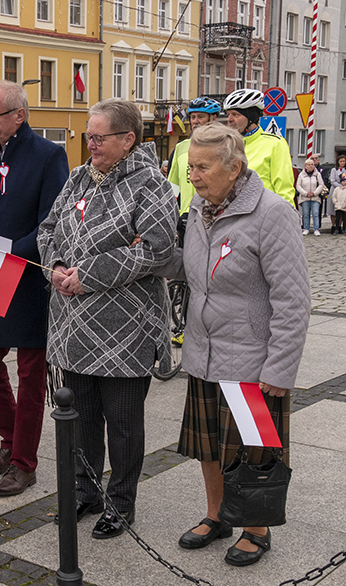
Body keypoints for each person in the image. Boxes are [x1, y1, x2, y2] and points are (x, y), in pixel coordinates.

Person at [159, 124, 309, 567]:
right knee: (209, 446)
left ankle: (256, 529)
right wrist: (153, 250)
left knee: (255, 450)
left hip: (252, 360)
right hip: (205, 353)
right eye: (191, 167)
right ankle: (217, 515)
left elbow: (293, 300)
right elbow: (188, 270)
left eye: (203, 167)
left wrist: (280, 369)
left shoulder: (272, 213)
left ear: (235, 168)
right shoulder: (201, 210)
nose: (193, 176)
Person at [38, 98, 177, 538]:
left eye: (98, 137)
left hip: (125, 329)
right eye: (88, 136)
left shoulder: (149, 183)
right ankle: (85, 489)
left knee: (122, 423)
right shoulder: (78, 177)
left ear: (127, 139)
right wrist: (57, 264)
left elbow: (156, 249)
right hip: (73, 325)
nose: (90, 143)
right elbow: (47, 229)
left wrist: (91, 274)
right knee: (79, 419)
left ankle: (121, 500)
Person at [0, 81, 69, 497]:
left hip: (25, 275)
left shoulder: (48, 155)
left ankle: (25, 462)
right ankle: (9, 441)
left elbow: (51, 222)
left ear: (18, 115)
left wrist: (9, 257)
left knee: (30, 372)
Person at [223, 89, 295, 206]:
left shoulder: (275, 144)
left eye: (235, 114)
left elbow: (284, 190)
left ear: (251, 118)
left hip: (263, 217)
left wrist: (287, 219)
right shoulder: (226, 145)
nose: (229, 119)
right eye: (228, 114)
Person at [168, 97, 221, 220]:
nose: (195, 121)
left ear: (213, 118)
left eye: (200, 117)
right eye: (193, 117)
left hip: (213, 218)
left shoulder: (223, 147)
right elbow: (172, 190)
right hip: (186, 219)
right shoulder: (181, 148)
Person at [296, 158, 324, 235]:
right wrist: (305, 193)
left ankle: (316, 229)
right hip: (305, 198)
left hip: (315, 197)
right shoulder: (301, 175)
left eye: (312, 164)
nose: (311, 166)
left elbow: (321, 185)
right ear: (305, 166)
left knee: (315, 213)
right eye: (309, 165)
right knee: (305, 214)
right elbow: (298, 186)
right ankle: (306, 228)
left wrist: (315, 193)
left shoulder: (317, 174)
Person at [328, 155, 346, 233]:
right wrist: (340, 186)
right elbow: (332, 180)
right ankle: (334, 225)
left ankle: (340, 226)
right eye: (341, 161)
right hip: (335, 189)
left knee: (342, 208)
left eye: (344, 161)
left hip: (344, 190)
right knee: (333, 208)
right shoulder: (334, 170)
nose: (342, 163)